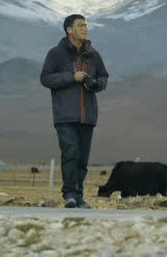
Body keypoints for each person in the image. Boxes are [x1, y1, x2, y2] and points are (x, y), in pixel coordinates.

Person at [40, 14, 109, 209]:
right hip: (65, 115)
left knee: (82, 158)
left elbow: (103, 77)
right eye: (80, 25)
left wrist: (94, 83)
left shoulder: (93, 55)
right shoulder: (56, 53)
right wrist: (71, 77)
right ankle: (69, 194)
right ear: (69, 30)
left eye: (86, 25)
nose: (85, 29)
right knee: (70, 152)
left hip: (88, 115)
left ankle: (78, 196)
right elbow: (45, 78)